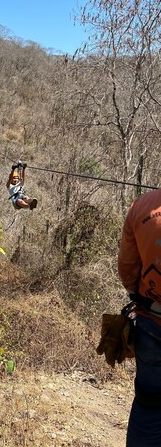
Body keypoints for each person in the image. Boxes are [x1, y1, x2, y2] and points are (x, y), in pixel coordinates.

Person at [118, 189, 161, 446]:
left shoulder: (141, 206)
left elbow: (127, 268)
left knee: (149, 400)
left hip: (151, 321)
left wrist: (141, 297)